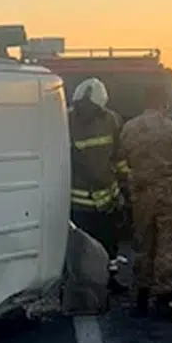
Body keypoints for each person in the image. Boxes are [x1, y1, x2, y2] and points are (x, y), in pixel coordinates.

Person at [119, 83, 172, 319]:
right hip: (168, 194)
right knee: (167, 246)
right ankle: (163, 298)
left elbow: (123, 159)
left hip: (141, 194)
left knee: (143, 245)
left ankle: (141, 297)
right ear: (164, 103)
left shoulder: (129, 129)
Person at [67, 78, 124, 281]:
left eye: (89, 106)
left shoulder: (112, 120)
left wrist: (124, 184)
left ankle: (111, 279)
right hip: (79, 202)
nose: (84, 110)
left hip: (108, 198)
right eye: (80, 105)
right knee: (81, 246)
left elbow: (119, 155)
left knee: (109, 243)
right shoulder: (65, 121)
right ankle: (82, 282)